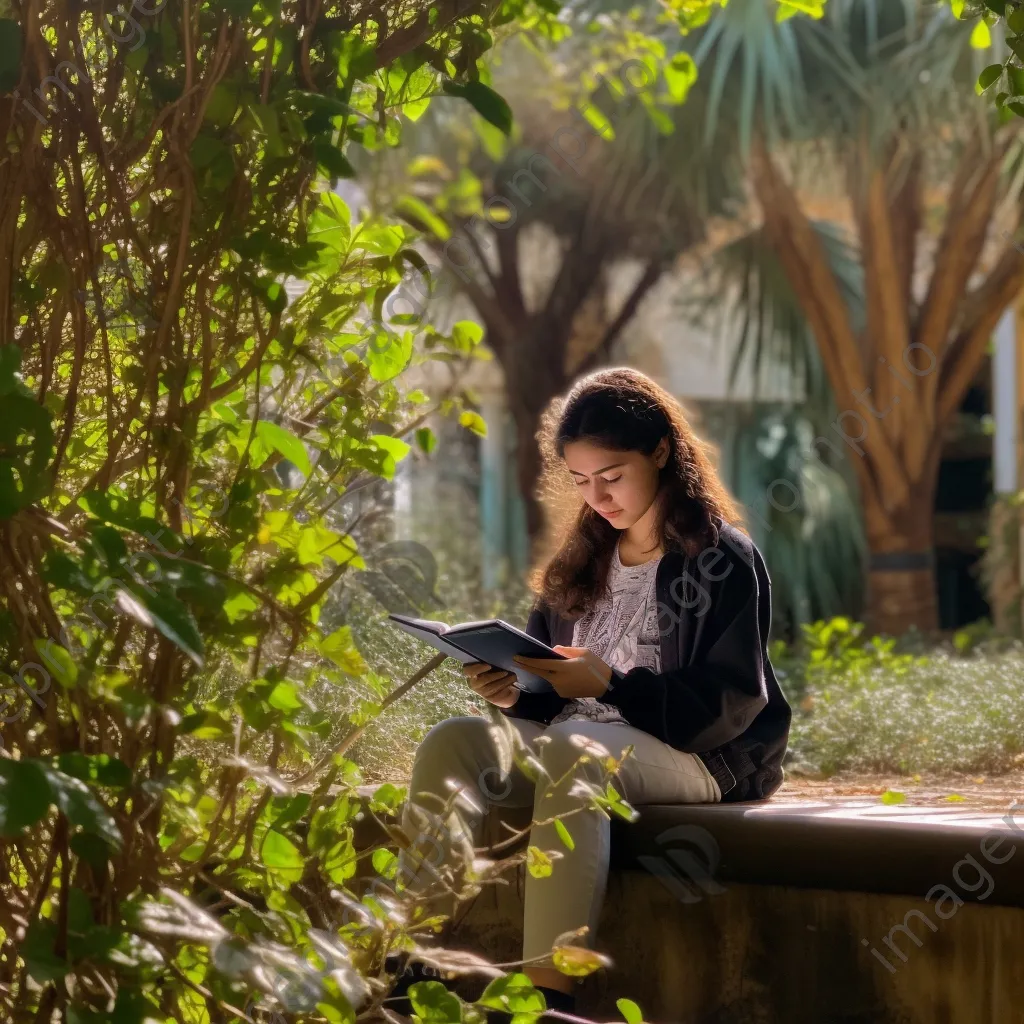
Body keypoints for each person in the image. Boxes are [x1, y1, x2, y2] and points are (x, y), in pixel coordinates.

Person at [390, 367, 791, 1019]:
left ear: (661, 451)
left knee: (577, 749)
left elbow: (725, 705)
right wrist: (514, 693)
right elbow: (550, 688)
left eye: (611, 476)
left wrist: (610, 683)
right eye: (581, 481)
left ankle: (546, 998)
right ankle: (406, 965)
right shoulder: (583, 561)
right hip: (574, 741)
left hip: (693, 756)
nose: (597, 496)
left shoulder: (721, 558)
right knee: (455, 742)